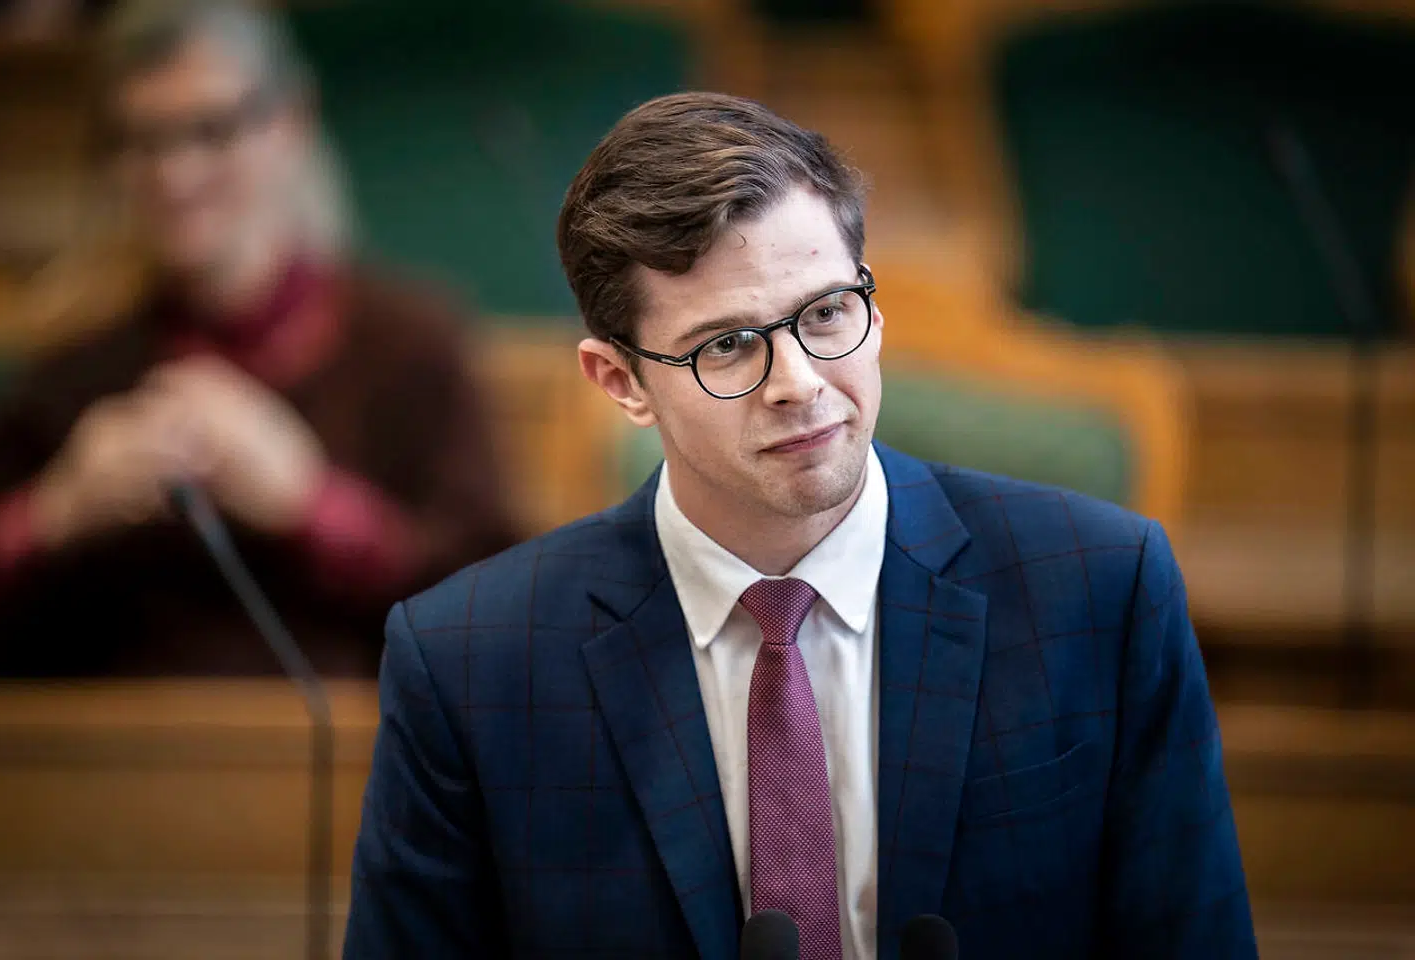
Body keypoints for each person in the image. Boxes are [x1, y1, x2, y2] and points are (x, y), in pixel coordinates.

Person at [344, 93, 1257, 958]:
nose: (801, 382)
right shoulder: (469, 661)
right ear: (620, 382)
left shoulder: (1102, 589)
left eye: (825, 314)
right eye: (727, 345)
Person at [0, 0, 518, 677]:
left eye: (211, 129)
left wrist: (308, 503)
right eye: (142, 139)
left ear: (290, 122)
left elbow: (500, 621)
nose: (174, 175)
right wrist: (54, 513)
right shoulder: (70, 376)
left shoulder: (414, 349)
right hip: (113, 766)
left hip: (348, 762)